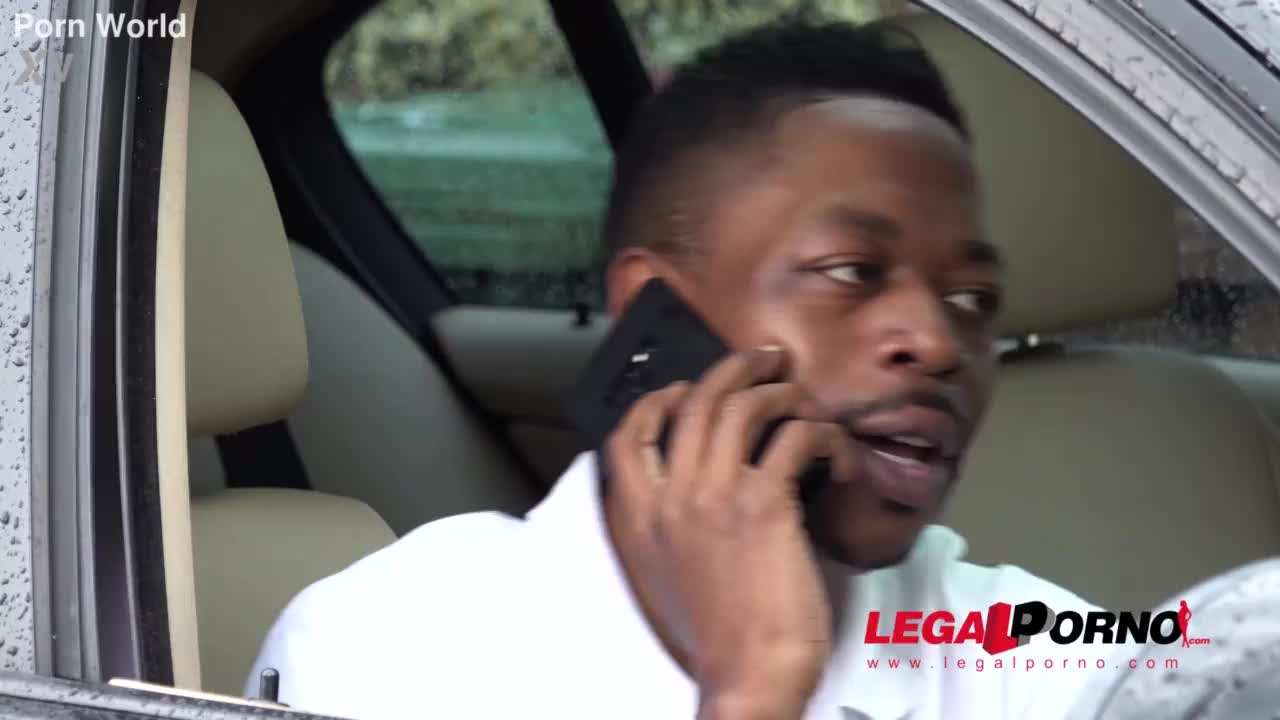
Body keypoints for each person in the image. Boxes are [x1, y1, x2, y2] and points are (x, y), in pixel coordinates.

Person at [247, 19, 1107, 720]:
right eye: (850, 271)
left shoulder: (1032, 655)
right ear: (654, 315)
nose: (939, 341)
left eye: (971, 297)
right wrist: (754, 691)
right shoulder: (383, 650)